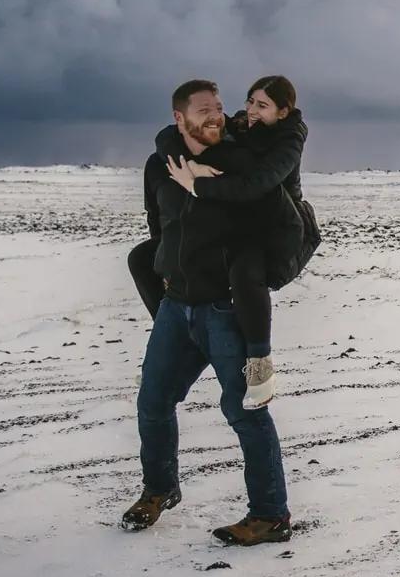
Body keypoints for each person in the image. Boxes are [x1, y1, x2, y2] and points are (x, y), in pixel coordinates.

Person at [121, 78, 307, 545]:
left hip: (225, 307)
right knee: (153, 401)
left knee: (244, 411)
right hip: (177, 306)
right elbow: (157, 223)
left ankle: (270, 515)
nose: (216, 117)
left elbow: (275, 223)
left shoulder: (240, 166)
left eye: (219, 108)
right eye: (204, 110)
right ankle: (159, 489)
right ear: (179, 118)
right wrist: (165, 269)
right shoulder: (159, 166)